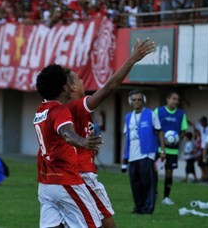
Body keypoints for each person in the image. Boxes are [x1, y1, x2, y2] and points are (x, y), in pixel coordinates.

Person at [65, 38, 154, 226]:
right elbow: (109, 88)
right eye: (79, 80)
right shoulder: (76, 106)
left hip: (72, 173)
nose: (83, 82)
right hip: (82, 173)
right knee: (106, 219)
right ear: (72, 87)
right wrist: (132, 59)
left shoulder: (67, 109)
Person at [34, 64, 103, 228]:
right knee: (94, 224)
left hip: (45, 183)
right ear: (65, 87)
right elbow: (66, 132)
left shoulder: (41, 110)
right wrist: (83, 141)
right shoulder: (60, 110)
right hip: (65, 180)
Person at [122, 89, 165, 214]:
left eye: (139, 99)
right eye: (134, 100)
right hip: (132, 155)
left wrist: (162, 150)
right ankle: (138, 207)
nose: (137, 102)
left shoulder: (151, 114)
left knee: (148, 183)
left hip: (147, 153)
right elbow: (127, 137)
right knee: (135, 184)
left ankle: (148, 208)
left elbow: (160, 131)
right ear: (130, 101)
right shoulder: (128, 117)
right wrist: (125, 155)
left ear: (143, 100)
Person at [155, 91, 188, 205]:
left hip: (173, 150)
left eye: (177, 99)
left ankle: (166, 197)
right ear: (167, 99)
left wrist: (178, 138)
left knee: (169, 173)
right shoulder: (159, 111)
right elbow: (153, 128)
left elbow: (183, 131)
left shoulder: (181, 114)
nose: (176, 101)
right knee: (154, 171)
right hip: (159, 149)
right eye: (173, 99)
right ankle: (153, 193)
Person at [190, 116, 208, 181]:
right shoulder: (201, 127)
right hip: (202, 148)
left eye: (202, 122)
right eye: (201, 122)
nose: (201, 123)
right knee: (200, 162)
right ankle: (203, 175)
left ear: (205, 122)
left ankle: (207, 176)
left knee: (207, 163)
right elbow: (194, 126)